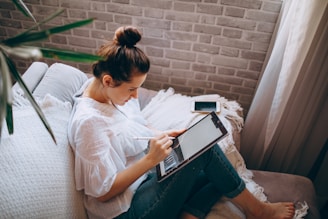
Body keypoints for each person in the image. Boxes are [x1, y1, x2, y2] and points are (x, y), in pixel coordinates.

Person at [68, 25, 295, 219]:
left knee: (218, 168)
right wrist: (150, 160)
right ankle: (259, 211)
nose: (135, 96)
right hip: (124, 210)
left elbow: (130, 128)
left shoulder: (106, 92)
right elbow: (102, 192)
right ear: (108, 81)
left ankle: (190, 213)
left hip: (143, 181)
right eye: (132, 89)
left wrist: (163, 135)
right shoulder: (89, 123)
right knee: (207, 155)